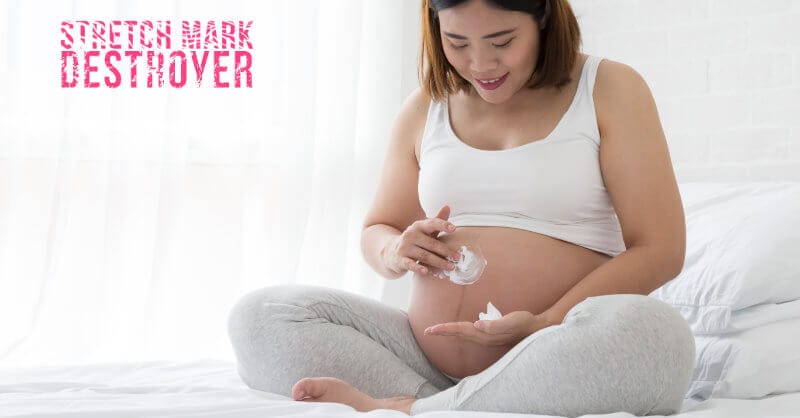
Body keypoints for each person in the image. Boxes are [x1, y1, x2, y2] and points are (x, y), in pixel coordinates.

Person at [227, 0, 696, 415]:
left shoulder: (609, 89)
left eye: (502, 41)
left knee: (657, 336)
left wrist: (545, 322)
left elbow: (660, 249)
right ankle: (440, 403)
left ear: (545, 18)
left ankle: (417, 409)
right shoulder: (424, 108)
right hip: (422, 358)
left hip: (557, 346)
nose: (480, 63)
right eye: (457, 41)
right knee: (263, 314)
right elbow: (379, 227)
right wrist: (394, 251)